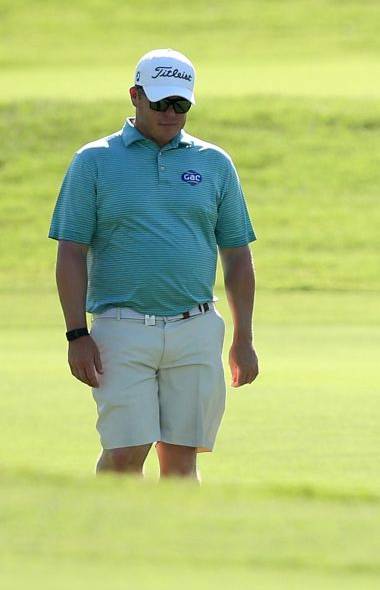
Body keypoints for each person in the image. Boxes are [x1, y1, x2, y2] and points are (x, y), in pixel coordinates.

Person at [49, 48, 258, 481]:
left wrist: (243, 339)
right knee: (125, 454)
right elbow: (71, 251)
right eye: (160, 102)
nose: (170, 113)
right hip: (120, 328)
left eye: (180, 104)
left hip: (196, 326)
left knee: (182, 460)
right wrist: (76, 334)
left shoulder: (214, 163)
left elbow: (237, 255)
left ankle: (174, 547)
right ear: (135, 96)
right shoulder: (94, 161)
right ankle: (107, 542)